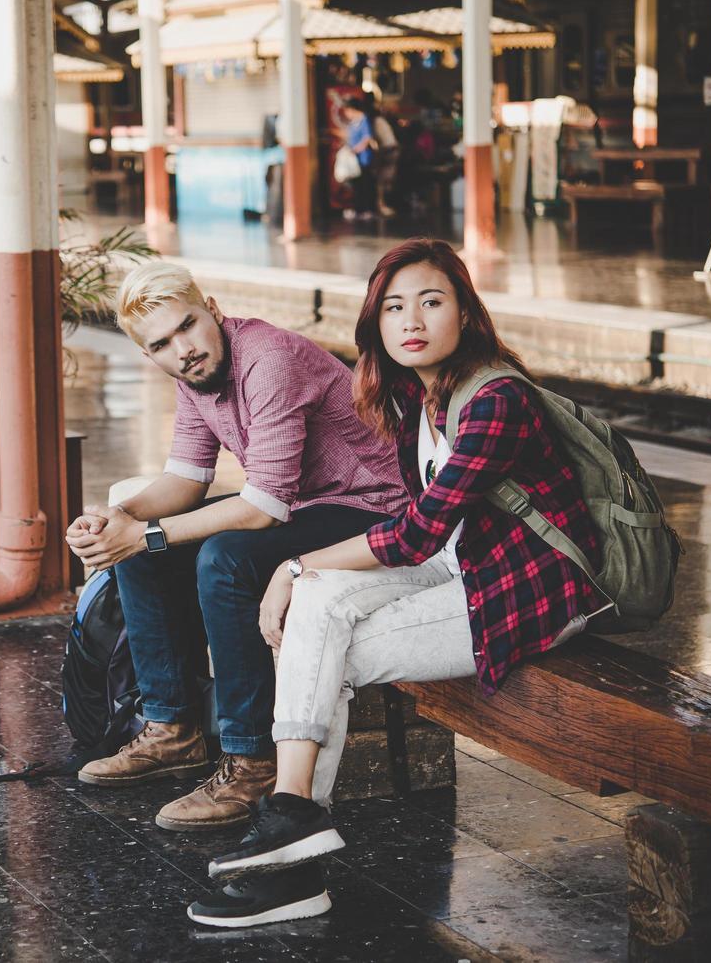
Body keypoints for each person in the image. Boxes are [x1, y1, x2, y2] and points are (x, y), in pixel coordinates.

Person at [187, 238, 608, 927]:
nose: (411, 319)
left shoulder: (494, 399)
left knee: (315, 634)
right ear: (376, 324)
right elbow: (424, 533)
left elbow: (413, 533)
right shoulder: (421, 396)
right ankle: (291, 821)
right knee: (317, 613)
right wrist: (307, 579)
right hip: (460, 565)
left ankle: (292, 854)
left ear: (465, 315)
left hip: (529, 591)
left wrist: (294, 567)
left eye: (431, 302)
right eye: (393, 306)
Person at [67, 262, 408, 833]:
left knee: (223, 560)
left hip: (373, 506)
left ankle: (251, 761)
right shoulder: (193, 378)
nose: (184, 349)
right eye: (162, 344)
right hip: (307, 504)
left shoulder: (268, 359)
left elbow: (262, 507)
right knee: (144, 550)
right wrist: (117, 520)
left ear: (214, 310)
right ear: (148, 356)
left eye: (189, 326)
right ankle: (171, 730)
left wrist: (143, 531)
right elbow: (186, 478)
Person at [338, 98, 377, 220]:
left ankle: (368, 210)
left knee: (366, 184)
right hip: (354, 160)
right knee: (357, 185)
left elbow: (367, 139)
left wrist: (355, 150)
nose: (346, 114)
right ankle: (359, 209)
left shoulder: (364, 119)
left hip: (364, 158)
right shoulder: (352, 123)